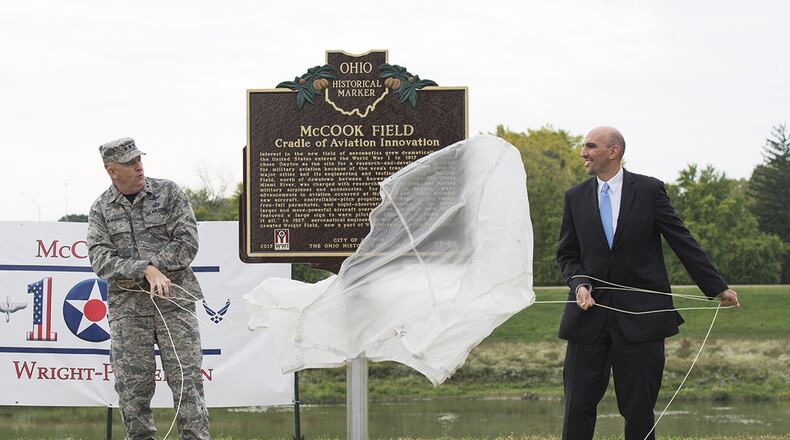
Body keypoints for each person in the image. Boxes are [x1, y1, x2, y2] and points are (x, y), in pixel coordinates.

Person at [556, 126, 739, 440]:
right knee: (576, 406)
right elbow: (567, 255)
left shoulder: (650, 190)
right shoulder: (574, 197)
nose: (583, 152)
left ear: (613, 151)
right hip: (588, 318)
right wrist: (580, 284)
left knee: (639, 409)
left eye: (590, 146)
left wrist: (716, 287)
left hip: (642, 319)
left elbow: (681, 240)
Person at [87, 137, 210, 440]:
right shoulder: (101, 209)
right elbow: (101, 260)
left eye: (139, 159)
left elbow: (187, 242)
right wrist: (145, 270)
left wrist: (154, 268)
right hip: (128, 311)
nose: (138, 166)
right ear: (112, 170)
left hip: (174, 303)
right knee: (133, 386)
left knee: (187, 380)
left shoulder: (169, 193)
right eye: (129, 163)